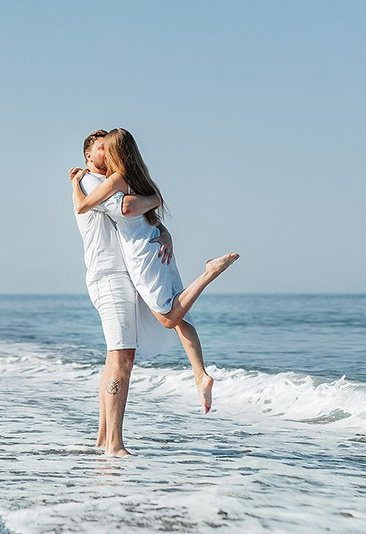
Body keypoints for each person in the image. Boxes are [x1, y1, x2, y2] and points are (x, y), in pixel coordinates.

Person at [70, 128, 239, 417]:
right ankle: (200, 376)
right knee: (177, 315)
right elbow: (148, 209)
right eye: (99, 148)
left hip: (140, 255)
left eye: (106, 148)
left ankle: (210, 272)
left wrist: (74, 183)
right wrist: (161, 222)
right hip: (150, 247)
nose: (103, 153)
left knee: (168, 316)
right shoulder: (133, 178)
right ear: (88, 155)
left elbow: (114, 208)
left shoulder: (114, 179)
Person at [71, 130, 178, 457]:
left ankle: (104, 438)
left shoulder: (104, 182)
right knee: (122, 357)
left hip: (118, 276)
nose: (109, 152)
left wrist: (164, 231)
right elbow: (129, 208)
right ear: (89, 156)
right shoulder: (90, 181)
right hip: (109, 276)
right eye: (102, 148)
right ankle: (115, 445)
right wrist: (156, 198)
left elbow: (141, 220)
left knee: (115, 358)